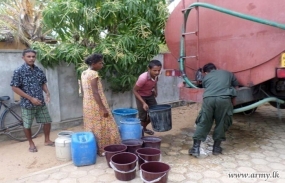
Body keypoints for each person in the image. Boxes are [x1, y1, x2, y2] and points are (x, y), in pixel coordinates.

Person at [189, 63, 239, 157]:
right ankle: (216, 149)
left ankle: (195, 149)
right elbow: (236, 85)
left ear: (206, 72)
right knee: (221, 122)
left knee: (204, 122)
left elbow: (204, 86)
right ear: (216, 68)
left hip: (209, 99)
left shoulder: (206, 78)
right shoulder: (227, 73)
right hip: (224, 99)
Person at [10, 49, 54, 153]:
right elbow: (14, 88)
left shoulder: (39, 70)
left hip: (40, 103)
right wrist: (31, 98)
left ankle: (47, 140)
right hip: (27, 104)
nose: (31, 58)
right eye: (28, 56)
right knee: (27, 125)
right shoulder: (18, 71)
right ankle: (31, 143)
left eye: (33, 56)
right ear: (23, 58)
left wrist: (47, 92)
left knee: (47, 121)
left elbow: (43, 83)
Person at [81, 53, 121, 156]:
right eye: (100, 63)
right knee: (107, 125)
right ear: (94, 64)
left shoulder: (84, 73)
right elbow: (95, 92)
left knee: (93, 126)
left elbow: (84, 90)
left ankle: (95, 148)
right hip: (96, 104)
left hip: (87, 104)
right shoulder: (93, 74)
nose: (102, 65)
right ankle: (106, 149)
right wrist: (103, 108)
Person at [133, 60, 162, 135]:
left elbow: (155, 82)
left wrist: (155, 90)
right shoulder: (143, 78)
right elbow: (134, 90)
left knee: (154, 113)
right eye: (154, 70)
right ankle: (140, 134)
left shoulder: (157, 75)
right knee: (142, 116)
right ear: (148, 69)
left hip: (150, 95)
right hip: (141, 96)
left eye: (159, 70)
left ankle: (144, 128)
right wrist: (143, 103)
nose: (157, 72)